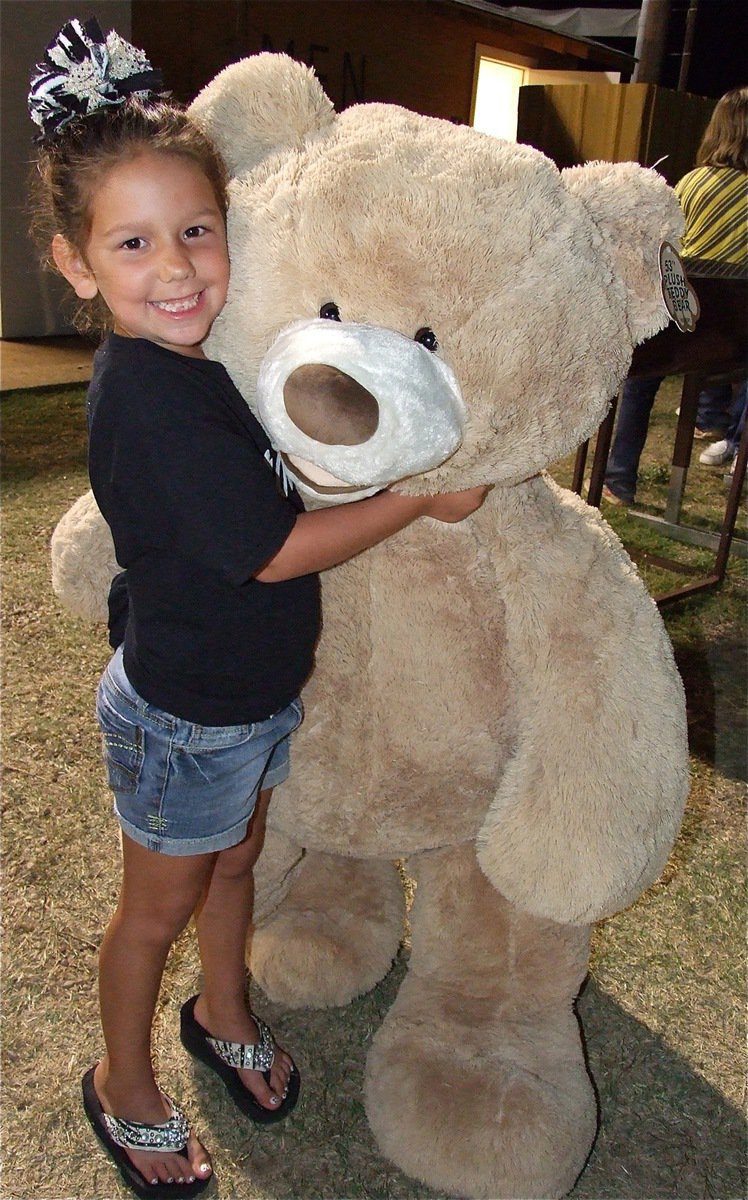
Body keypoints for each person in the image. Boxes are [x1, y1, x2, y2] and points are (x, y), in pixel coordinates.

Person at [28, 20, 489, 1200]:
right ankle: (121, 1082)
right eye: (133, 243)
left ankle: (220, 1010)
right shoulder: (150, 398)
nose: (176, 267)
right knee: (156, 908)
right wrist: (417, 501)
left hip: (244, 701)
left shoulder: (195, 367)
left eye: (196, 231)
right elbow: (275, 549)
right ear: (76, 265)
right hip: (186, 717)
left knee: (236, 865)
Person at [602, 85, 748, 506]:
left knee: (643, 375)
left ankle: (619, 476)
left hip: (680, 333)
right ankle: (733, 455)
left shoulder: (689, 184)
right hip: (732, 346)